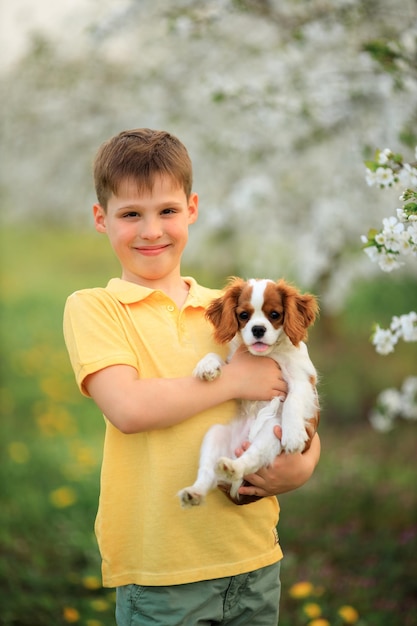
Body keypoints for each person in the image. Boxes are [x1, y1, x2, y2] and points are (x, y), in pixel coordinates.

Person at [63, 128, 321, 626]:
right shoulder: (96, 308)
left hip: (252, 559)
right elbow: (128, 409)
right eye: (131, 214)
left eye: (167, 211)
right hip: (161, 572)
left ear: (192, 208)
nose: (151, 230)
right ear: (101, 218)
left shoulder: (233, 311)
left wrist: (303, 465)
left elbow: (299, 398)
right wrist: (232, 382)